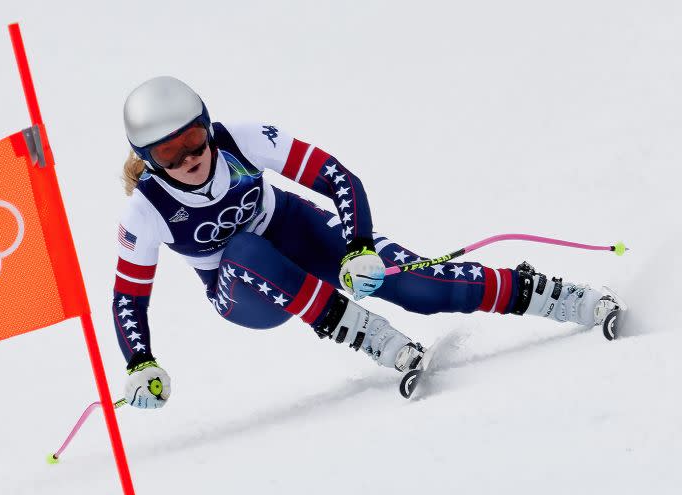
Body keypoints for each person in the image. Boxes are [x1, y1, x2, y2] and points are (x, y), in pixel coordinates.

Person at [114, 76, 621, 409]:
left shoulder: (240, 139)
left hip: (296, 229)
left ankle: (553, 296)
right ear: (148, 159)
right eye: (169, 152)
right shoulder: (146, 210)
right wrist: (140, 363)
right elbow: (127, 298)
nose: (188, 158)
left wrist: (359, 246)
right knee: (244, 250)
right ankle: (369, 335)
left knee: (420, 288)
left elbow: (336, 176)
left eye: (193, 139)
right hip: (245, 293)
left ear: (208, 124)